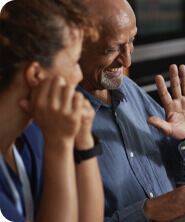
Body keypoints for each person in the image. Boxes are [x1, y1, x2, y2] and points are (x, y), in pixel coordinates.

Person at [78, 0, 185, 221]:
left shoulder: (129, 89)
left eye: (131, 41)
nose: (127, 60)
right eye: (111, 49)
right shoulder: (56, 125)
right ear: (73, 46)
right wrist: (147, 212)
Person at [0, 0, 104, 221]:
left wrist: (84, 141)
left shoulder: (36, 132)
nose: (79, 75)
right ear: (36, 75)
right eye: (75, 61)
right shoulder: (51, 137)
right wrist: (59, 144)